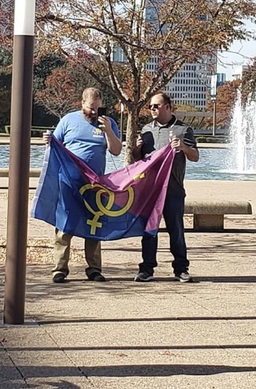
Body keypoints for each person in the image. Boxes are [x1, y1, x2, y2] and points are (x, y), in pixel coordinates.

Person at [43, 87, 122, 283]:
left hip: (95, 184)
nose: (94, 112)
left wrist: (109, 132)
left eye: (97, 108)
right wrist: (47, 140)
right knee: (64, 224)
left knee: (94, 224)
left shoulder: (108, 123)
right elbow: (55, 144)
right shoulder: (69, 120)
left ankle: (94, 268)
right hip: (69, 182)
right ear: (82, 104)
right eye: (90, 108)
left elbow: (116, 151)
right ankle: (59, 269)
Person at [132, 92, 199, 282]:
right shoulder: (146, 130)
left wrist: (183, 148)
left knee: (176, 230)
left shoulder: (183, 130)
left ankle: (181, 268)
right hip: (150, 192)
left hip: (173, 191)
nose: (152, 109)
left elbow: (195, 157)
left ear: (168, 107)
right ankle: (146, 268)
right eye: (150, 106)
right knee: (149, 231)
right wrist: (137, 148)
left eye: (156, 106)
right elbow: (139, 161)